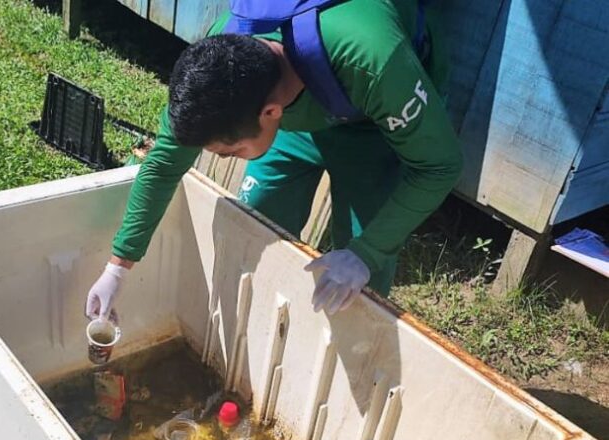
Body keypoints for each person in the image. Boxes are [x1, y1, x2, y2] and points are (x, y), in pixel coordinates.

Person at [86, 0, 462, 320]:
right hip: (299, 113)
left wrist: (367, 253)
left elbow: (439, 166)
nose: (230, 158)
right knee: (257, 222)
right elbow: (164, 164)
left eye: (230, 153)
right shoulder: (219, 64)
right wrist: (119, 266)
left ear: (269, 112)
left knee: (360, 280)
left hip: (371, 121)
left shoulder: (375, 62)